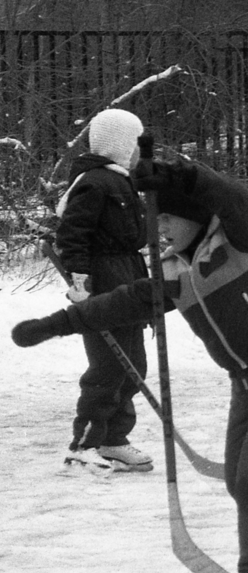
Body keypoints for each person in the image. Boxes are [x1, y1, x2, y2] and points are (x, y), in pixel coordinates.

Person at [12, 152, 248, 573]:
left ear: (193, 215)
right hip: (245, 380)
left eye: (166, 219)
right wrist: (58, 324)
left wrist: (183, 175)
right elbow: (122, 303)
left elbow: (233, 195)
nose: (157, 230)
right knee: (243, 483)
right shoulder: (176, 271)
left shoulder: (237, 238)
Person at [53, 108, 153, 473]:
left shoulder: (122, 180)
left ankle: (114, 440)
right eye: (135, 142)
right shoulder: (94, 182)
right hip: (105, 283)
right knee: (108, 366)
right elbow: (72, 236)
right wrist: (81, 284)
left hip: (129, 279)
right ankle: (85, 444)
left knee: (133, 365)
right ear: (120, 143)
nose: (139, 150)